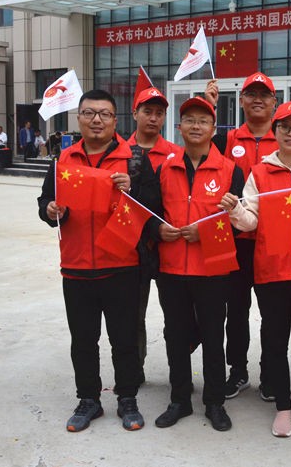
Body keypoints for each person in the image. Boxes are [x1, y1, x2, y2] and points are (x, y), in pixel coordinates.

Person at [220, 101, 291, 438]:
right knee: (274, 343)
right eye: (285, 127)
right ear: (276, 131)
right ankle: (283, 407)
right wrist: (235, 210)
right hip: (271, 273)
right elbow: (250, 220)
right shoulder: (260, 173)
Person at [37, 89, 148, 433]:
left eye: (104, 114)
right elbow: (45, 201)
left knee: (124, 340)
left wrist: (134, 190)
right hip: (76, 266)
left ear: (115, 120)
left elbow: (154, 207)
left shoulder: (135, 160)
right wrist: (50, 210)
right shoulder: (63, 160)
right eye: (89, 113)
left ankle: (127, 398)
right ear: (79, 118)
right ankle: (88, 399)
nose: (96, 120)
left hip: (122, 266)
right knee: (83, 341)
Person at [153, 96, 244, 431]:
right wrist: (157, 229)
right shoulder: (164, 168)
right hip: (172, 268)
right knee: (175, 336)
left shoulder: (231, 170)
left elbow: (239, 223)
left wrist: (204, 234)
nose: (196, 126)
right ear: (179, 128)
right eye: (189, 120)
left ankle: (215, 401)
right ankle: (179, 399)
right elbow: (150, 212)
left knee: (212, 336)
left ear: (213, 128)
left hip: (212, 269)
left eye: (203, 121)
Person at [206, 72, 279, 402]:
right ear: (241, 100)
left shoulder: (287, 138)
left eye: (264, 94)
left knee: (272, 313)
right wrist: (209, 107)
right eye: (251, 93)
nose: (258, 99)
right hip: (234, 243)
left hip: (272, 243)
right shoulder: (227, 140)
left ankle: (270, 373)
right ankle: (237, 371)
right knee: (235, 312)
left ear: (274, 102)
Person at [126, 86, 179, 384]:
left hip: (168, 247)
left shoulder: (176, 155)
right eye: (148, 111)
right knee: (133, 314)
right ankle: (135, 368)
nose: (153, 118)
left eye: (159, 113)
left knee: (178, 315)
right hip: (131, 249)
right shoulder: (119, 153)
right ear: (135, 113)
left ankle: (179, 371)